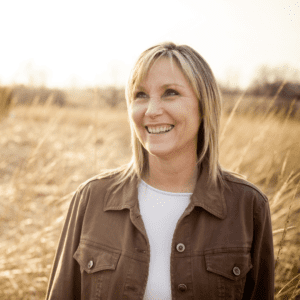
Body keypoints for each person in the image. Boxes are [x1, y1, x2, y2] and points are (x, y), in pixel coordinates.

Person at [46, 42, 274, 299]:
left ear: (204, 106)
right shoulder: (91, 199)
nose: (152, 111)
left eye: (170, 93)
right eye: (140, 95)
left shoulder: (248, 206)